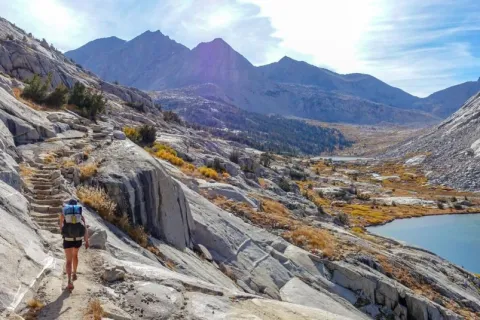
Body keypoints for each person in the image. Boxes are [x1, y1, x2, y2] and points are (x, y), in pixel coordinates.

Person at [60, 199, 88, 291]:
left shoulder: (64, 214)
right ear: (76, 206)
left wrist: (63, 233)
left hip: (67, 239)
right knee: (75, 255)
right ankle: (74, 273)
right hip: (78, 239)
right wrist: (86, 241)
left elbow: (60, 225)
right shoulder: (80, 215)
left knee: (68, 260)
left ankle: (69, 281)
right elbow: (85, 228)